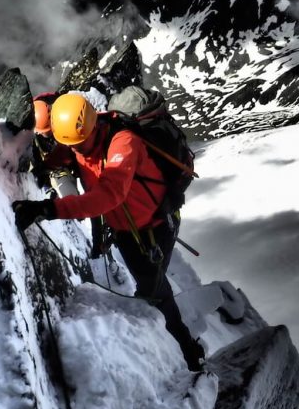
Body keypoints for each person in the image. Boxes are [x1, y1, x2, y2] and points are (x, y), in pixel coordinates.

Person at [13, 93, 205, 372]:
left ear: (92, 127)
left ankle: (187, 352)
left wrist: (47, 209)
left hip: (154, 229)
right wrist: (43, 166)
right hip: (127, 230)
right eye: (72, 144)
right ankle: (169, 344)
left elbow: (108, 196)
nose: (77, 149)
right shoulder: (79, 137)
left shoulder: (124, 143)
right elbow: (63, 155)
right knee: (150, 289)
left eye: (81, 143)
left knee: (155, 292)